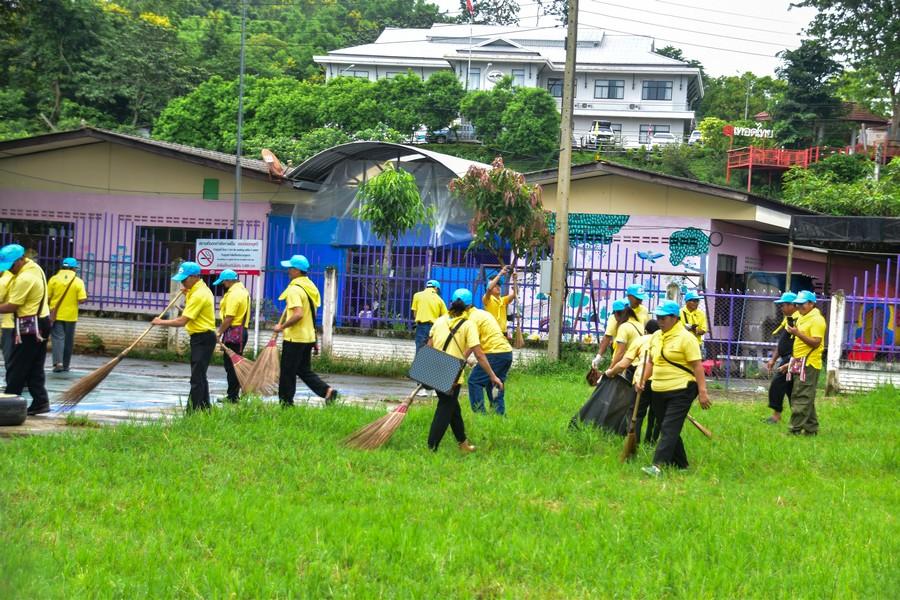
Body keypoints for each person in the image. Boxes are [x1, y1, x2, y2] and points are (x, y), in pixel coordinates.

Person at [637, 300, 711, 476]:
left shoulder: (687, 338)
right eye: (658, 317)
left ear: (675, 318)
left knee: (669, 427)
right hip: (658, 389)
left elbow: (697, 366)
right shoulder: (656, 336)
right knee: (667, 426)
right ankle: (682, 465)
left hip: (682, 389)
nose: (660, 321)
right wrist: (642, 380)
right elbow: (651, 361)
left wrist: (703, 392)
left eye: (663, 318)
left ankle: (657, 466)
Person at [426, 288, 503, 452]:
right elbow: (479, 354)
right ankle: (432, 447)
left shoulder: (440, 321)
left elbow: (429, 346)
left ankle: (463, 444)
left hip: (435, 367)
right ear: (469, 307)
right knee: (445, 409)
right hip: (452, 373)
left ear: (451, 303)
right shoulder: (468, 325)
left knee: (453, 409)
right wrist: (493, 376)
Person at [152, 261, 216, 412]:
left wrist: (160, 322)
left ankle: (192, 413)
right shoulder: (198, 290)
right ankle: (205, 409)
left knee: (197, 378)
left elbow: (182, 321)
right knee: (200, 375)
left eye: (184, 279)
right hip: (202, 337)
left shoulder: (199, 295)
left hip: (203, 338)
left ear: (194, 277)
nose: (182, 282)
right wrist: (188, 292)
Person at [275, 254, 338, 406]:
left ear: (297, 270)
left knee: (287, 372)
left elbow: (298, 314)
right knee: (303, 370)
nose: (288, 271)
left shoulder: (294, 289)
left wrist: (282, 326)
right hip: (308, 337)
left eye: (290, 268)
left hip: (295, 338)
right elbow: (312, 315)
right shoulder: (311, 287)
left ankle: (286, 403)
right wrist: (314, 339)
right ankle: (327, 391)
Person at [0, 244, 51, 415]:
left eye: (11, 266)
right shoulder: (34, 267)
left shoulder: (25, 278)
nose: (9, 270)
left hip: (30, 325)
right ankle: (40, 401)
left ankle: (8, 405)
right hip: (41, 321)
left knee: (17, 366)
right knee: (34, 366)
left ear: (21, 260)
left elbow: (12, 306)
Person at [606, 319, 661, 443]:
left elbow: (623, 364)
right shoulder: (662, 340)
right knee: (657, 414)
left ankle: (634, 442)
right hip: (660, 381)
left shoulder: (640, 340)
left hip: (642, 380)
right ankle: (651, 442)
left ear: (645, 331)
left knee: (637, 414)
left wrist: (611, 372)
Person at [784, 290, 826, 436]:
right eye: (797, 304)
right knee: (805, 395)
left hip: (809, 364)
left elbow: (816, 343)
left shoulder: (817, 320)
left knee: (801, 397)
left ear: (811, 304)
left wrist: (797, 333)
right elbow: (800, 345)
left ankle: (794, 430)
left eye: (802, 304)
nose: (799, 307)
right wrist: (789, 364)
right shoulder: (803, 317)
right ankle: (811, 429)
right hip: (799, 362)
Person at [465, 302, 513, 415]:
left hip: (494, 354)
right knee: (494, 384)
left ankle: (480, 415)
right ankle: (499, 415)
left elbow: (473, 344)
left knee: (475, 381)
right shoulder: (482, 313)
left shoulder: (472, 319)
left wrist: (461, 358)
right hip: (506, 353)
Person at [214, 269, 250, 403]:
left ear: (229, 281)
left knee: (232, 366)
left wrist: (219, 333)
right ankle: (233, 395)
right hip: (238, 332)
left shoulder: (235, 294)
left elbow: (229, 317)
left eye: (223, 282)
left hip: (235, 333)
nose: (223, 285)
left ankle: (233, 397)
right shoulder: (242, 291)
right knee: (233, 365)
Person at [47, 257, 88, 372]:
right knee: (68, 340)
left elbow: (47, 298)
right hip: (71, 316)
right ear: (74, 268)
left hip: (56, 315)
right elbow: (81, 299)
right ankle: (65, 365)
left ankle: (58, 363)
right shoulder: (78, 281)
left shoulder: (54, 279)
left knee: (57, 339)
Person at [764, 292, 797, 425]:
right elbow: (782, 342)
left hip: (792, 359)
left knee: (777, 384)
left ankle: (776, 416)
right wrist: (773, 359)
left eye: (783, 305)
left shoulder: (797, 320)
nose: (781, 308)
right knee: (789, 388)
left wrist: (792, 361)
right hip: (786, 358)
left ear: (792, 305)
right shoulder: (788, 319)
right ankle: (796, 416)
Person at [597, 284, 650, 358]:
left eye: (641, 298)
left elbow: (647, 330)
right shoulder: (620, 312)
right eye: (637, 298)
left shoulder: (644, 310)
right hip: (621, 352)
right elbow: (608, 336)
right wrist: (599, 356)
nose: (640, 301)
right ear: (629, 297)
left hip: (639, 352)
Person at [593, 298, 644, 374]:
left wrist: (610, 370)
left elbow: (620, 353)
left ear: (616, 313)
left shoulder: (624, 327)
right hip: (638, 365)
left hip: (627, 367)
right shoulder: (639, 324)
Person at [410, 280, 447, 350]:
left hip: (421, 327)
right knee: (431, 350)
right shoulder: (439, 300)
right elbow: (445, 317)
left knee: (420, 349)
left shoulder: (417, 295)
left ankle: (421, 357)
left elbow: (415, 314)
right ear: (436, 288)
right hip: (434, 328)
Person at [483, 266, 516, 335]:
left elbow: (515, 294)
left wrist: (515, 280)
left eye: (499, 285)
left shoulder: (503, 300)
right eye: (495, 286)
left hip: (503, 332)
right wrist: (500, 274)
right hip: (492, 332)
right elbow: (489, 288)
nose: (498, 287)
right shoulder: (487, 299)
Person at [0, 268, 14, 366]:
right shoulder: (14, 277)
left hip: (7, 321)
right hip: (18, 320)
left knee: (7, 350)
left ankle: (10, 370)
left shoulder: (4, 280)